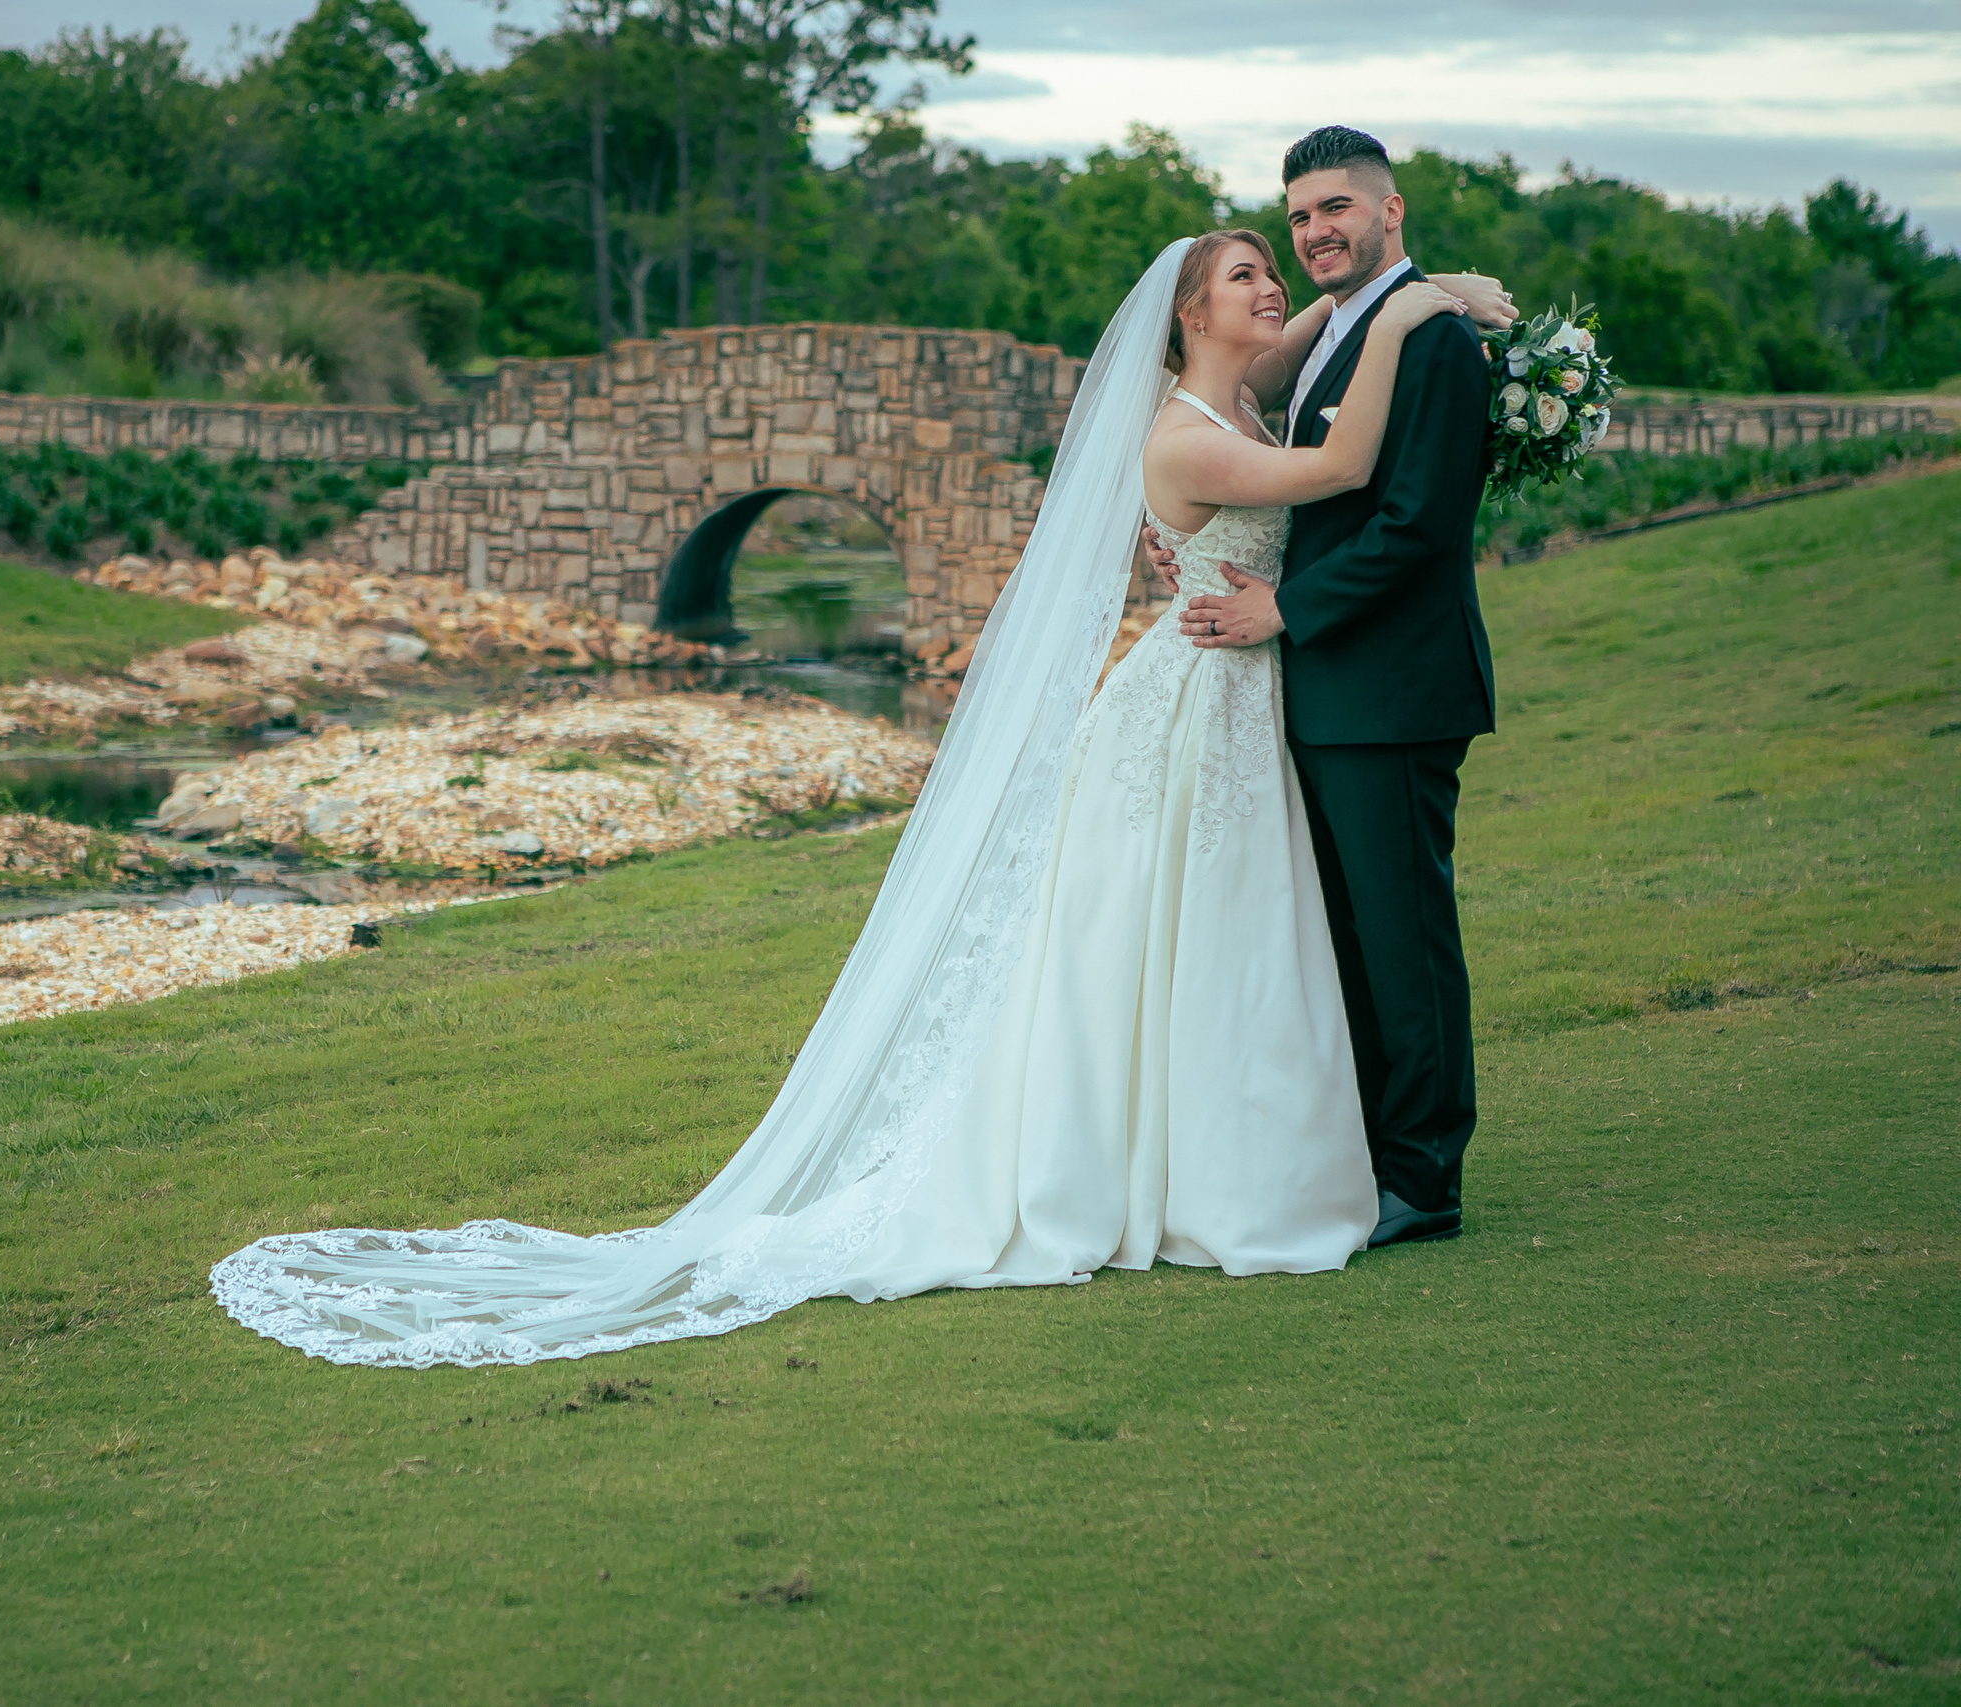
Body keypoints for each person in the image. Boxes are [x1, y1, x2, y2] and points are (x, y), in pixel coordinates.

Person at [210, 217, 1511, 1370]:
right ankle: (1183, 1172)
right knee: (1168, 937)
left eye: (1280, 266)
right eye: (1248, 271)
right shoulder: (1185, 431)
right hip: (1193, 697)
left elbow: (1290, 366)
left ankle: (1231, 1155)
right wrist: (1408, 304)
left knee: (1217, 941)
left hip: (1232, 691)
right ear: (1188, 310)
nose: (1274, 283)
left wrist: (1398, 286)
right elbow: (1343, 466)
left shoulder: (1225, 400)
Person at [1171, 126, 1501, 1250]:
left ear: (1388, 209)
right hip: (1321, 694)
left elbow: (1417, 525)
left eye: (1334, 210)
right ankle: (1365, 1155)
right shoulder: (1333, 339)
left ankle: (1422, 1176)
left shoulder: (1435, 343)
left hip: (1391, 691)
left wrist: (1285, 610)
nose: (1314, 232)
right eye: (1299, 215)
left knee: (1402, 938)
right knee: (1349, 940)